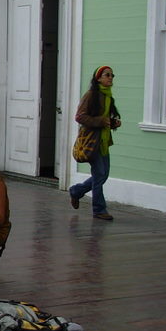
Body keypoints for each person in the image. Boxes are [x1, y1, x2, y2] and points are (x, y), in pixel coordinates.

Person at [68, 65, 121, 221]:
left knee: (103, 175)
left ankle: (76, 191)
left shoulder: (108, 97)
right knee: (99, 175)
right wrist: (100, 121)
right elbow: (80, 117)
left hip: (103, 141)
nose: (110, 77)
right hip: (91, 141)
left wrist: (113, 123)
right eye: (107, 75)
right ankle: (99, 209)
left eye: (112, 75)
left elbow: (104, 119)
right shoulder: (91, 95)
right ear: (98, 78)